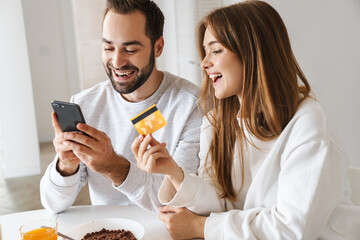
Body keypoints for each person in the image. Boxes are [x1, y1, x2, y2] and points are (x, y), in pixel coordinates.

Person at [131, 1, 360, 239]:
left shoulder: (309, 126)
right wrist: (172, 171)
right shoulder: (216, 122)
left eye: (216, 50)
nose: (204, 63)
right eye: (205, 51)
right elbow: (220, 204)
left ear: (252, 53)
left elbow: (292, 230)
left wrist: (201, 227)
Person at [40, 0, 202, 214]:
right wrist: (66, 165)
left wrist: (114, 167)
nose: (117, 62)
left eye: (131, 49)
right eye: (108, 48)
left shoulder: (191, 105)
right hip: (106, 232)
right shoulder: (86, 104)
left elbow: (181, 202)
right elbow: (52, 204)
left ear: (158, 47)